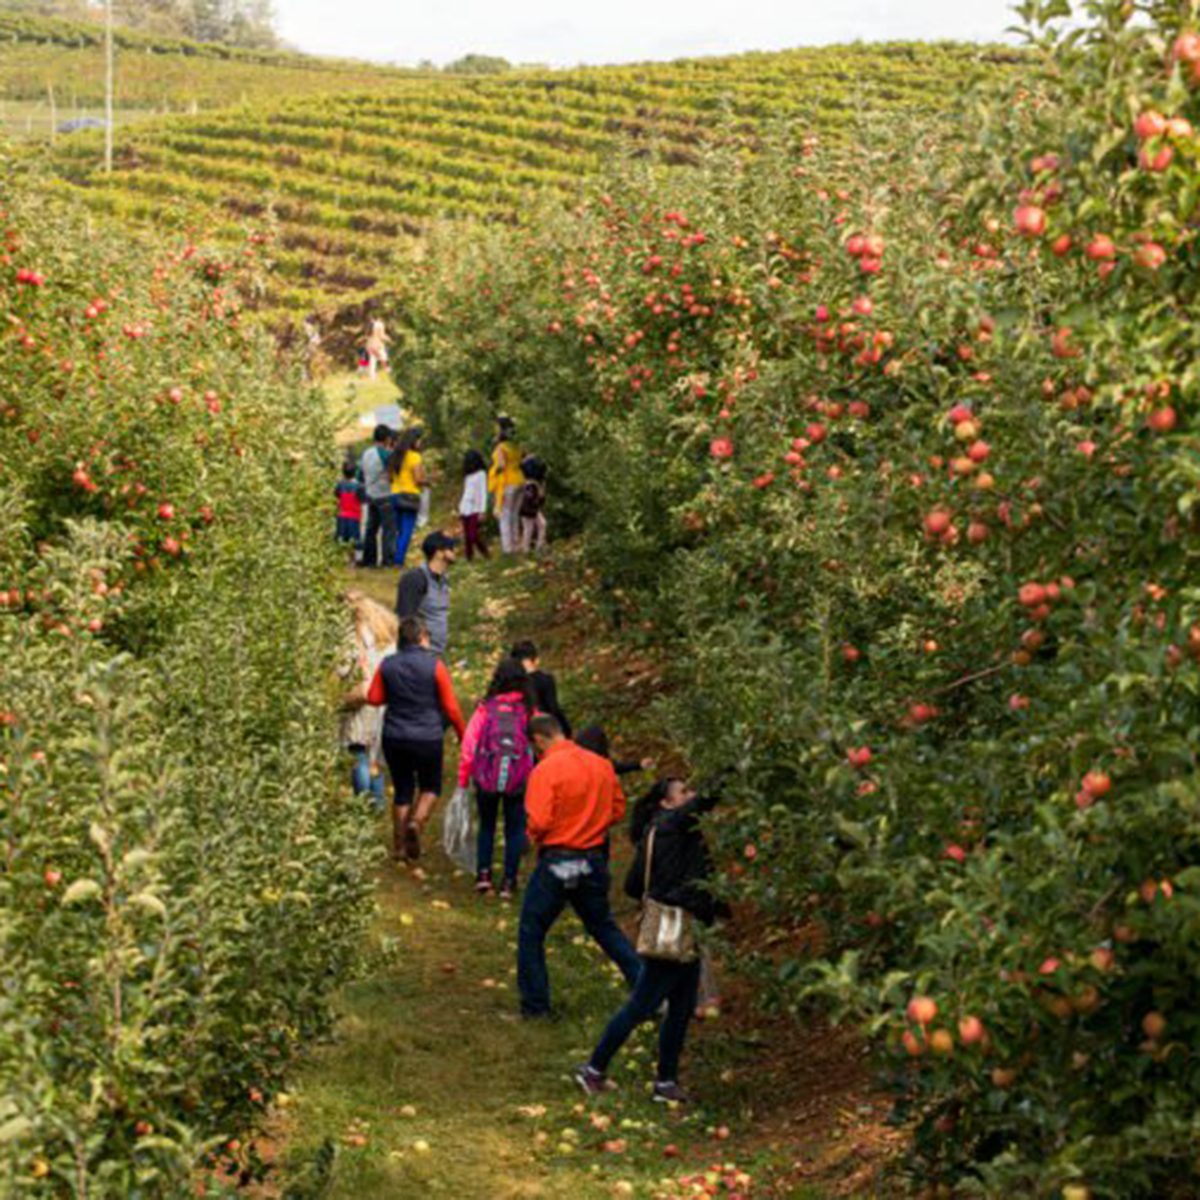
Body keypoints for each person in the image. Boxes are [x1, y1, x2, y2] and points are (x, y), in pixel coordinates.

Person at [575, 778, 727, 1104]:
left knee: (682, 1007)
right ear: (667, 804)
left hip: (686, 927)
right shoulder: (673, 825)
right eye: (684, 792)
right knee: (642, 1003)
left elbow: (633, 884)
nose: (691, 796)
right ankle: (593, 1068)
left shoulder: (659, 832)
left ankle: (666, 1081)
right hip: (675, 926)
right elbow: (705, 802)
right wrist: (727, 774)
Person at [517, 715, 642, 1018]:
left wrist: (534, 838)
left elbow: (540, 821)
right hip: (593, 859)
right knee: (603, 927)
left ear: (539, 740)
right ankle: (647, 992)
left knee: (531, 930)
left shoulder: (546, 769)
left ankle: (536, 1007)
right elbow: (617, 809)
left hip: (559, 858)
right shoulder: (601, 764)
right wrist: (591, 825)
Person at [367, 616, 465, 861]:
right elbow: (451, 707)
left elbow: (374, 697)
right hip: (427, 736)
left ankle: (399, 847)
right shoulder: (435, 666)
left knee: (402, 789)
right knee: (430, 786)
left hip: (394, 735)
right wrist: (463, 734)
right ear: (422, 637)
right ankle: (416, 824)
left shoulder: (388, 664)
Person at [457, 657, 537, 899]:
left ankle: (483, 876)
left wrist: (463, 778)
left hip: (486, 777)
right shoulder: (529, 711)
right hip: (518, 779)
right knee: (514, 828)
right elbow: (539, 743)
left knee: (487, 826)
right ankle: (509, 882)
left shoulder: (485, 708)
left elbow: (469, 745)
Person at [338, 590, 398, 810]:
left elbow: (343, 668)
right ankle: (379, 803)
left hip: (363, 700)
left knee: (359, 754)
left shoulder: (351, 636)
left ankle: (363, 805)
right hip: (385, 697)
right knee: (375, 755)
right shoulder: (384, 628)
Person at [396, 532, 457, 658]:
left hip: (436, 656)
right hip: (418, 658)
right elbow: (404, 620)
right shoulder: (415, 579)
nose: (454, 552)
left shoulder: (443, 580)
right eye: (450, 548)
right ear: (439, 553)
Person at [511, 640, 571, 737]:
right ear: (536, 660)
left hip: (517, 731)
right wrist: (566, 730)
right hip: (543, 730)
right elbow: (553, 707)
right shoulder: (545, 680)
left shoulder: (510, 682)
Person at [389, 426, 427, 567]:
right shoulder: (415, 457)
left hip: (394, 494)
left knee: (398, 530)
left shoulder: (395, 455)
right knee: (406, 530)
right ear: (414, 441)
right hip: (410, 496)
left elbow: (389, 478)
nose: (420, 443)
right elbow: (417, 479)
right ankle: (398, 561)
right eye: (420, 441)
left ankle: (394, 557)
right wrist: (428, 481)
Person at [360, 424, 397, 569]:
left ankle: (369, 559)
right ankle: (387, 560)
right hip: (384, 494)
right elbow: (392, 474)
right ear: (387, 439)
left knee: (371, 528)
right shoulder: (385, 454)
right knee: (388, 529)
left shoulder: (366, 453)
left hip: (370, 493)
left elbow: (361, 474)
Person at [489, 416, 525, 554]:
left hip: (507, 482)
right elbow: (523, 458)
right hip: (520, 479)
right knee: (515, 514)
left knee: (505, 515)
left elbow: (501, 465)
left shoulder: (501, 447)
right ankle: (516, 544)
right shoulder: (516, 445)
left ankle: (508, 548)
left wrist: (493, 472)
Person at [575, 725, 654, 779]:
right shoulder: (598, 763)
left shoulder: (576, 758)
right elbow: (615, 767)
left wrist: (638, 765)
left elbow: (616, 767)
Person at [459, 448, 490, 562]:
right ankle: (469, 558)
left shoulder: (481, 474)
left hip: (475, 509)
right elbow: (466, 492)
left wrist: (482, 510)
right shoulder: (467, 476)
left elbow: (483, 492)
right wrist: (461, 507)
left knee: (473, 535)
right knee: (467, 536)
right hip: (465, 507)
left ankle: (485, 553)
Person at [519, 455, 548, 555]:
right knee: (529, 527)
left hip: (531, 509)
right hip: (528, 510)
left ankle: (536, 547)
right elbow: (532, 499)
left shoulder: (531, 483)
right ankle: (527, 549)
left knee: (540, 525)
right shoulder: (531, 484)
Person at [334, 461, 364, 557]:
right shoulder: (359, 486)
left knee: (342, 538)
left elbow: (336, 494)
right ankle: (355, 559)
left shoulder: (340, 485)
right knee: (355, 539)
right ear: (355, 472)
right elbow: (362, 499)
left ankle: (342, 557)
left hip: (342, 514)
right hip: (354, 516)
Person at [365, 315, 390, 380]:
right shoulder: (380, 324)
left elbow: (367, 335)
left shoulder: (370, 324)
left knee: (373, 360)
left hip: (370, 344)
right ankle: (389, 372)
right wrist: (389, 339)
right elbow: (381, 335)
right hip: (378, 344)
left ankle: (372, 377)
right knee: (384, 358)